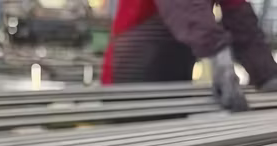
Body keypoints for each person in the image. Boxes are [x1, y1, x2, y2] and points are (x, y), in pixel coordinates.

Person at [101, 0, 277, 111]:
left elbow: (241, 21)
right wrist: (220, 58)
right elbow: (186, 6)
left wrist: (267, 75)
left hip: (176, 78)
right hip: (133, 68)